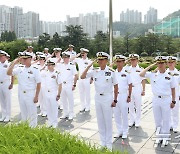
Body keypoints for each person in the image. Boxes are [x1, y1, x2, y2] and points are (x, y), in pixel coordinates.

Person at [81, 52, 118, 150]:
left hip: (107, 98)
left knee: (108, 121)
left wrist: (115, 100)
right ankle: (102, 142)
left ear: (106, 61)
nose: (100, 61)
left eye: (102, 60)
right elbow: (82, 76)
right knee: (100, 120)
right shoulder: (95, 71)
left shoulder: (111, 72)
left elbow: (116, 86)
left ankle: (109, 143)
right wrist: (88, 67)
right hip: (98, 97)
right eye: (99, 59)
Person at [139, 56, 175, 140]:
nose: (160, 65)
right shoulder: (153, 74)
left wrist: (173, 101)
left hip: (166, 99)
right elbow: (141, 74)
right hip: (156, 99)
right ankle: (159, 136)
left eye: (162, 63)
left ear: (165, 64)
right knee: (157, 119)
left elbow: (173, 89)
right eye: (158, 63)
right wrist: (152, 65)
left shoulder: (170, 75)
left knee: (166, 119)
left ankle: (165, 137)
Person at [7, 52, 41, 127]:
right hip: (21, 93)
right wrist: (14, 62)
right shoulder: (19, 68)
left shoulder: (35, 69)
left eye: (25, 59)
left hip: (30, 94)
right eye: (22, 59)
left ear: (30, 59)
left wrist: (36, 96)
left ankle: (33, 127)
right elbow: (9, 73)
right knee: (23, 111)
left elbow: (39, 84)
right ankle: (25, 125)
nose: (23, 60)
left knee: (32, 112)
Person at [113, 54, 132, 139]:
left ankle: (125, 131)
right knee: (116, 114)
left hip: (124, 95)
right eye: (117, 61)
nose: (118, 63)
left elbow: (130, 85)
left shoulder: (127, 73)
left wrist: (129, 96)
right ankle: (119, 130)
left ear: (124, 62)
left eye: (120, 61)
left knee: (124, 114)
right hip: (115, 95)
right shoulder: (113, 72)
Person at [57, 52, 78, 120]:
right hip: (62, 85)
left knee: (70, 100)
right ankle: (65, 113)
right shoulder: (60, 65)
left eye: (67, 58)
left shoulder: (72, 65)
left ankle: (71, 113)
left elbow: (76, 75)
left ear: (69, 58)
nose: (66, 59)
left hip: (69, 84)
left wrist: (74, 84)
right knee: (63, 100)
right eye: (64, 58)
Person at [42, 58, 62, 128]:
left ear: (54, 65)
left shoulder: (57, 73)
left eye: (50, 65)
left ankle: (55, 122)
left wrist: (58, 94)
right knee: (48, 108)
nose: (49, 66)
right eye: (48, 65)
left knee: (54, 108)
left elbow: (60, 84)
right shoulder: (45, 73)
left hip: (54, 92)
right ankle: (50, 121)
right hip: (47, 92)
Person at [71, 48, 92, 112]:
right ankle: (83, 106)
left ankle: (88, 106)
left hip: (87, 79)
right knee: (81, 93)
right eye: (82, 53)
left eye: (84, 53)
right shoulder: (79, 60)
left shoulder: (89, 61)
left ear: (86, 53)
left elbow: (92, 70)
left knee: (87, 93)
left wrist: (91, 79)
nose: (82, 55)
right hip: (80, 79)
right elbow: (71, 59)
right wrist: (78, 55)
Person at [127, 54, 145, 127]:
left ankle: (137, 120)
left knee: (138, 105)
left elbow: (143, 80)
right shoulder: (127, 69)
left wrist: (143, 90)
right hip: (129, 88)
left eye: (134, 59)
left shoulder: (141, 69)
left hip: (137, 87)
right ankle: (132, 120)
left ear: (137, 60)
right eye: (131, 60)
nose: (132, 61)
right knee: (130, 105)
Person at [166, 56, 180, 133]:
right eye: (169, 62)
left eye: (172, 62)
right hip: (167, 95)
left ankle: (175, 126)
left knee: (175, 111)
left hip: (176, 94)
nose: (170, 64)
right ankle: (169, 125)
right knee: (167, 111)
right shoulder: (164, 73)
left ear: (175, 63)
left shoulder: (178, 73)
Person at [0, 50, 14, 122]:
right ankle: (3, 115)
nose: (0, 57)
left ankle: (8, 115)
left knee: (7, 100)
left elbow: (12, 75)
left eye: (1, 56)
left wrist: (12, 83)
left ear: (5, 57)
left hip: (6, 83)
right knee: (2, 101)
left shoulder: (9, 64)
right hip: (0, 84)